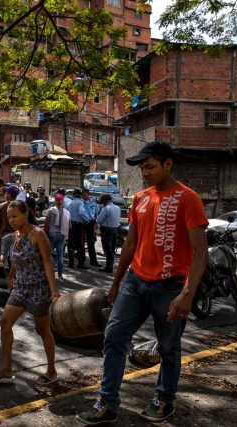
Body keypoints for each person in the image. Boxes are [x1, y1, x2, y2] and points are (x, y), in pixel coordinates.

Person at [77, 141, 208, 424]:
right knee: (113, 337)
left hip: (171, 286)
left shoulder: (188, 198)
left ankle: (164, 400)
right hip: (135, 282)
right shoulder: (140, 198)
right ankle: (107, 402)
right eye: (142, 168)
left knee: (168, 347)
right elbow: (131, 243)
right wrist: (116, 282)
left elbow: (201, 251)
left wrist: (187, 293)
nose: (144, 173)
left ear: (168, 165)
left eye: (150, 167)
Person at [0, 200, 60, 386]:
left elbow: (47, 264)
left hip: (39, 289)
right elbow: (17, 260)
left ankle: (51, 371)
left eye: (15, 216)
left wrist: (54, 291)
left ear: (25, 214)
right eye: (9, 217)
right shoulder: (15, 236)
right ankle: (6, 369)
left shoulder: (38, 234)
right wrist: (11, 276)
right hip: (21, 287)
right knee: (5, 322)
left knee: (42, 330)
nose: (11, 220)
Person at [0, 185, 19, 278]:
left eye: (6, 193)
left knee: (3, 253)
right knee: (14, 254)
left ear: (9, 194)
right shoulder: (19, 206)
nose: (5, 194)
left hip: (5, 234)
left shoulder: (2, 206)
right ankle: (13, 272)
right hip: (16, 234)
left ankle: (1, 264)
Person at [44, 194, 71, 279]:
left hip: (51, 234)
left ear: (55, 201)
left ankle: (53, 265)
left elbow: (46, 225)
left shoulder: (50, 211)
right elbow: (70, 226)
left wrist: (44, 232)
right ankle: (60, 273)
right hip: (62, 234)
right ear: (62, 202)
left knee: (47, 252)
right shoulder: (67, 212)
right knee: (60, 255)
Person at [97, 193, 121, 273]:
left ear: (105, 200)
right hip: (115, 230)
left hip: (106, 231)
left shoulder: (106, 208)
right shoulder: (118, 208)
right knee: (112, 249)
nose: (102, 203)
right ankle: (110, 266)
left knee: (108, 249)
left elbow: (99, 220)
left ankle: (108, 267)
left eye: (102, 201)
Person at [67, 188, 88, 269]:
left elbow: (67, 214)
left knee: (70, 244)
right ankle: (80, 263)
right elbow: (82, 212)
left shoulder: (70, 203)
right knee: (80, 244)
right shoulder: (80, 203)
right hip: (79, 226)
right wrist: (87, 219)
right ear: (80, 195)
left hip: (71, 225)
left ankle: (71, 263)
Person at [82, 188, 101, 267]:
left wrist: (96, 222)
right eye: (82, 194)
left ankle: (93, 260)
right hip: (83, 223)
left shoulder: (93, 202)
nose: (83, 195)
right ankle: (81, 260)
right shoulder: (80, 202)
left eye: (84, 194)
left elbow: (96, 212)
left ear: (88, 194)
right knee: (81, 242)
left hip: (91, 223)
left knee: (91, 243)